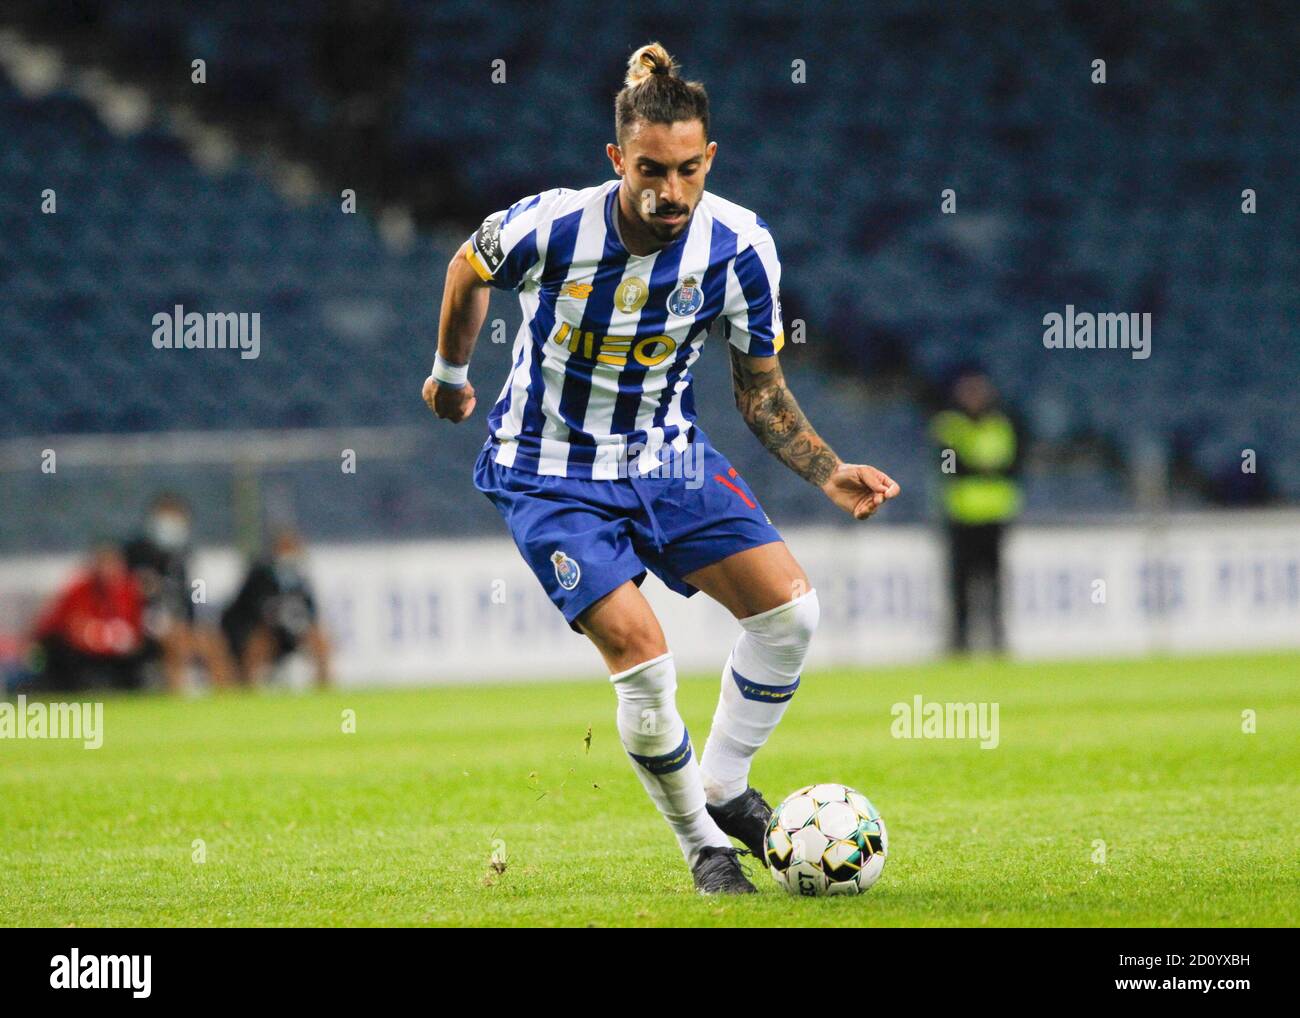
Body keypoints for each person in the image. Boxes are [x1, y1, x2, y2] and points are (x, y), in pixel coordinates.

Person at [422, 43, 900, 894]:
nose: (669, 192)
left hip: (668, 457)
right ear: (617, 160)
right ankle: (703, 847)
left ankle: (721, 786)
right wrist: (452, 377)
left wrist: (825, 470)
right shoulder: (550, 225)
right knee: (644, 656)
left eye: (688, 170)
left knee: (792, 614)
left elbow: (759, 387)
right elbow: (468, 267)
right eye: (650, 170)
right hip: (547, 469)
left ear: (708, 158)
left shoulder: (742, 248)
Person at [929, 368, 1022, 653]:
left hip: (995, 515)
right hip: (961, 514)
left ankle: (997, 640)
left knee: (994, 581)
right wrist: (984, 467)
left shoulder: (1002, 424)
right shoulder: (949, 425)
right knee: (961, 584)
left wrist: (976, 466)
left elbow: (1013, 464)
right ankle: (960, 643)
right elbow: (949, 466)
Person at [124, 493, 235, 693]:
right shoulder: (136, 552)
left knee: (213, 642)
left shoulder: (183, 555)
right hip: (144, 619)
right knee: (178, 641)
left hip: (178, 619)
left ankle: (225, 699)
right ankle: (179, 694)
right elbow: (133, 592)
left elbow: (192, 594)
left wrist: (199, 624)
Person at [221, 530, 332, 689]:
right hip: (259, 632)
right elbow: (249, 612)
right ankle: (247, 689)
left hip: (290, 632)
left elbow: (311, 612)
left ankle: (324, 688)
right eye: (286, 548)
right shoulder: (259, 576)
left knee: (320, 639)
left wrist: (302, 629)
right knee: (258, 642)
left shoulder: (299, 579)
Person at [30, 540, 145, 692]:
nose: (107, 570)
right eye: (103, 563)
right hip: (81, 650)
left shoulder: (129, 591)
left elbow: (136, 628)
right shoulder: (79, 591)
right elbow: (56, 624)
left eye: (111, 564)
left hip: (117, 652)